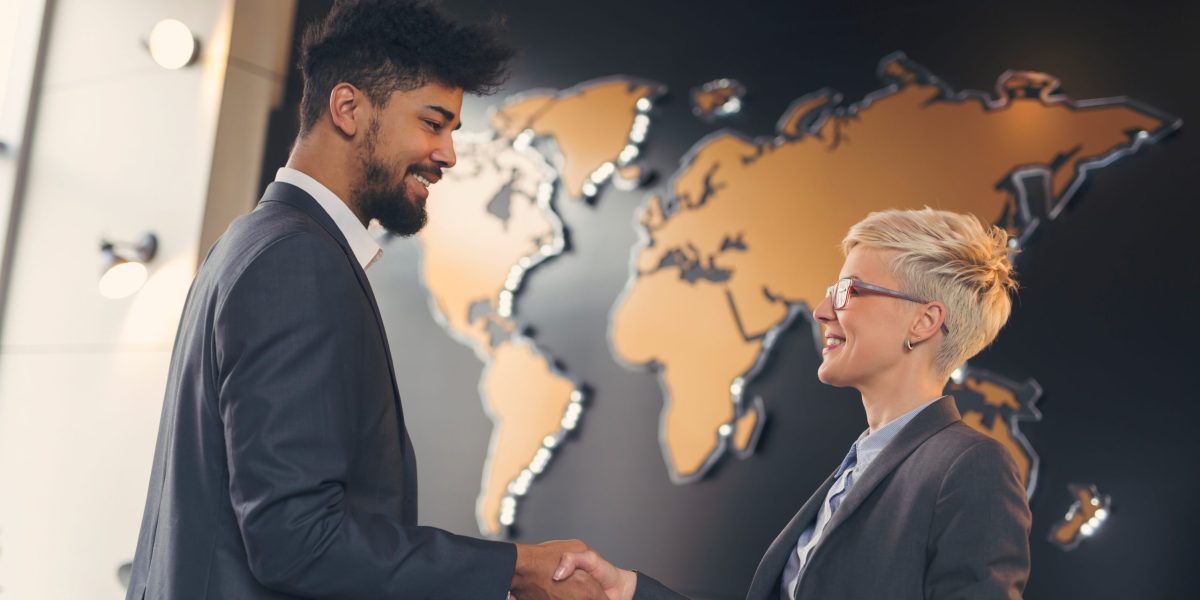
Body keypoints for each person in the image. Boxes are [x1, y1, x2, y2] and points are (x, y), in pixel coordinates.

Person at [125, 1, 603, 598]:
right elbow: (296, 541)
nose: (449, 153)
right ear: (348, 108)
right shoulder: (295, 261)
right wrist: (517, 567)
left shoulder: (252, 241)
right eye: (433, 123)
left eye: (453, 128)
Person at [554, 208, 1032, 600]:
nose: (823, 311)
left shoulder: (971, 466)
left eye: (848, 291)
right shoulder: (858, 467)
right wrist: (626, 590)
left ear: (924, 322)